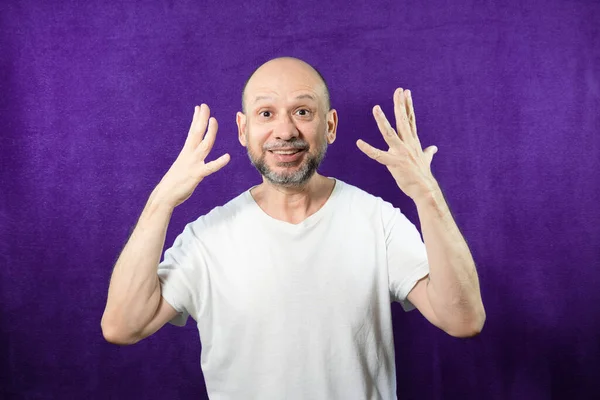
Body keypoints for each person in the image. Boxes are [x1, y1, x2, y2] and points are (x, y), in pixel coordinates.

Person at [101, 57, 485, 399]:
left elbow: (463, 320)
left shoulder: (377, 221)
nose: (284, 132)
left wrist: (427, 196)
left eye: (302, 111)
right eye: (266, 113)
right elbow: (122, 325)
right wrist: (160, 203)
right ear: (243, 129)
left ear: (330, 125)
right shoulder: (207, 238)